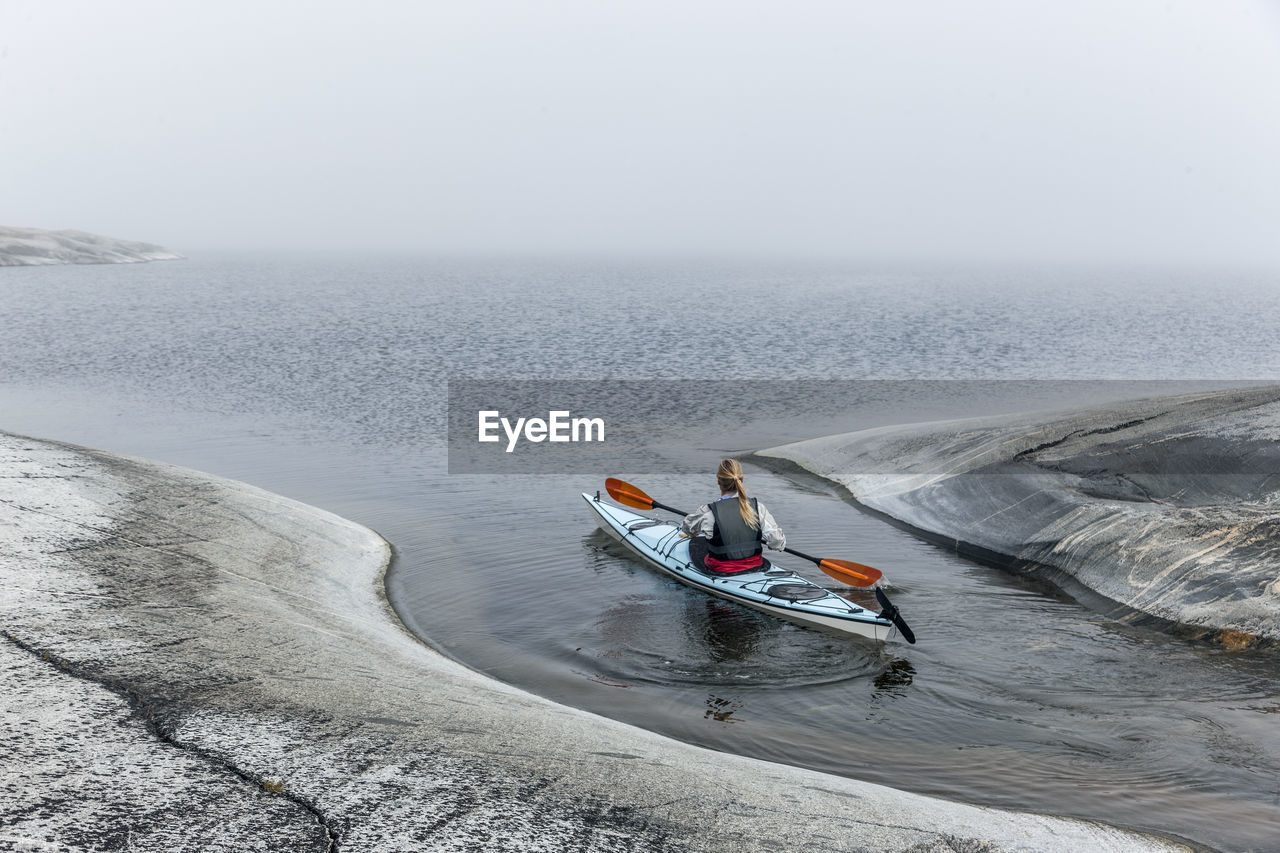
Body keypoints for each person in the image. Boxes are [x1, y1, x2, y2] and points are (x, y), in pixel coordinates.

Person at [680, 459, 785, 574]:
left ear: (718, 481)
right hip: (755, 565)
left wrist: (696, 533)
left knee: (700, 543)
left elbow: (688, 529)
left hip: (720, 568)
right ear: (742, 479)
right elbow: (777, 540)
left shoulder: (707, 511)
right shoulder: (758, 508)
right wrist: (773, 545)